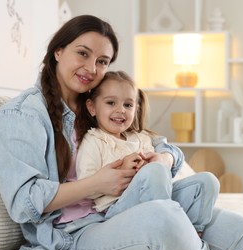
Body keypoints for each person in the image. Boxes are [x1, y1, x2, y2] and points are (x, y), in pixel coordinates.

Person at [0, 14, 243, 250]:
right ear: (58, 51)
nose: (91, 68)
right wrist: (98, 183)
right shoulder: (22, 115)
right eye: (82, 54)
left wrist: (163, 159)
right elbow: (23, 203)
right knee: (163, 219)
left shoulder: (102, 102)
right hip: (73, 233)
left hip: (131, 206)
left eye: (102, 61)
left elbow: (161, 145)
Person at [75, 70, 216, 235]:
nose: (121, 110)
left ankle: (194, 232)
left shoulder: (142, 137)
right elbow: (86, 186)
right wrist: (124, 171)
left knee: (207, 181)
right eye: (111, 103)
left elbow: (164, 167)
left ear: (136, 108)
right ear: (92, 107)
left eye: (128, 105)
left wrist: (154, 163)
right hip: (118, 208)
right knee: (154, 171)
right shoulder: (94, 141)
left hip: (160, 200)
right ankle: (170, 231)